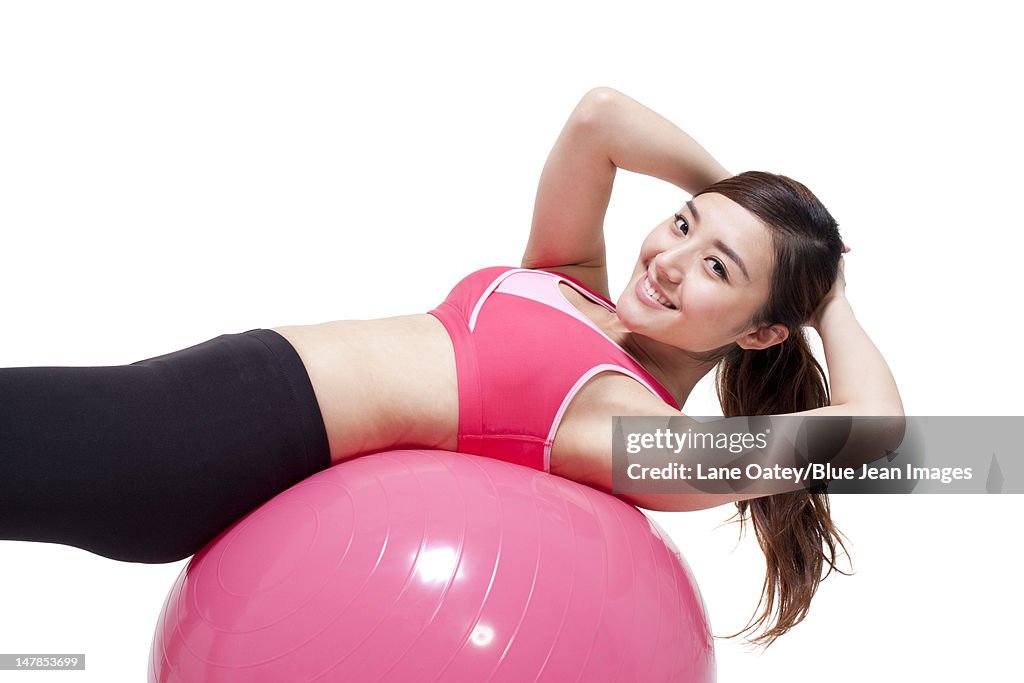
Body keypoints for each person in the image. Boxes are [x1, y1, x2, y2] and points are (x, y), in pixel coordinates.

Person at [0, 87, 903, 647]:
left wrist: (829, 302)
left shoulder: (630, 427)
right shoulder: (571, 284)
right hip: (218, 389)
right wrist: (743, 204)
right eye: (682, 222)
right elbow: (601, 117)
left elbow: (874, 435)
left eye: (718, 267)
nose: (670, 258)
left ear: (761, 333)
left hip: (203, 445)